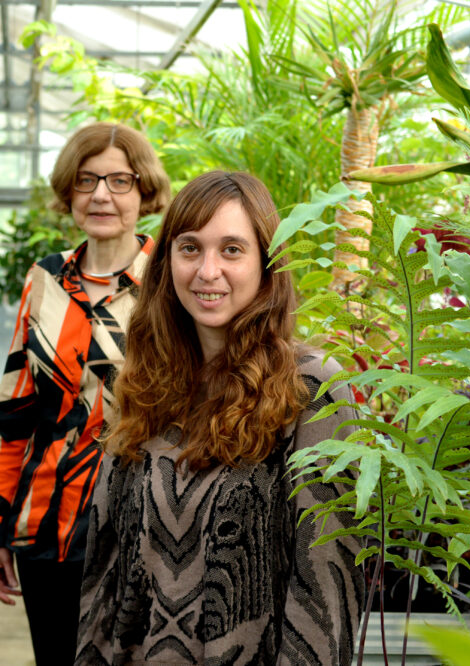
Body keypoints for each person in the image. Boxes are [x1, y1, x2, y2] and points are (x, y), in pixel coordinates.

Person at [76, 171, 365, 664]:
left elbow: (326, 590)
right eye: (190, 248)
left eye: (232, 249)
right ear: (167, 261)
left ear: (267, 262)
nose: (208, 271)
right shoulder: (144, 384)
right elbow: (105, 573)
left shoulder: (312, 388)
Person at [0, 121, 171, 665]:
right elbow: (14, 410)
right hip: (49, 527)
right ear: (70, 192)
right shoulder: (43, 280)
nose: (101, 195)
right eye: (87, 180)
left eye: (119, 180)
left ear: (144, 191)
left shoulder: (169, 278)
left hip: (145, 526)